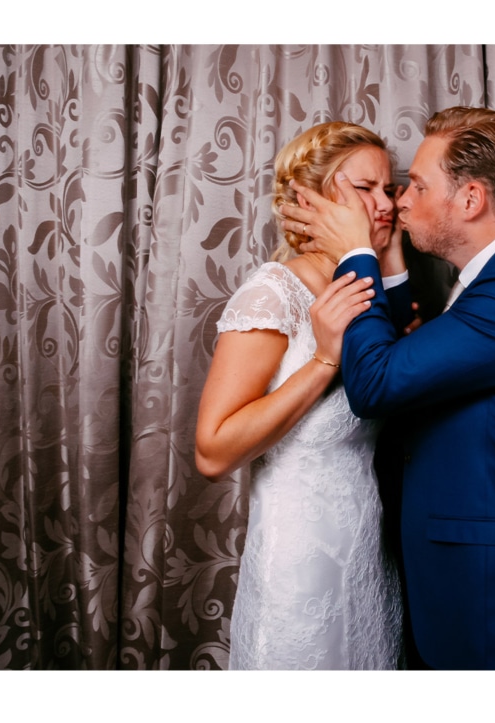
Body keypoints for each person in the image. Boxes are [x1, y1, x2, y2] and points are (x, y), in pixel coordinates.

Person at [289, 106, 495, 669]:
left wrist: (356, 253)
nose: (400, 201)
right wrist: (384, 261)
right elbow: (427, 370)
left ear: (471, 199)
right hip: (465, 571)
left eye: (418, 186)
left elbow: (378, 382)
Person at [192, 121, 407, 669]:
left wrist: (395, 267)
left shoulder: (367, 293)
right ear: (311, 198)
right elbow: (212, 452)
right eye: (366, 189)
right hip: (299, 562)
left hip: (368, 551)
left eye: (390, 189)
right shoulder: (273, 293)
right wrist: (323, 361)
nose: (387, 204)